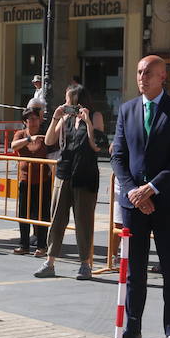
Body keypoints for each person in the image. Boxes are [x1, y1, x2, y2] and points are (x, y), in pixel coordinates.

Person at [110, 55, 170, 338]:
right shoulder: (127, 110)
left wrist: (152, 188)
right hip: (134, 204)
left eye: (148, 72)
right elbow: (118, 156)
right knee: (135, 271)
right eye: (138, 72)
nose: (142, 77)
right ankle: (133, 329)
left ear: (163, 77)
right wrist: (135, 192)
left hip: (169, 202)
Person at [35, 84, 101, 279]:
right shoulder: (65, 119)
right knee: (57, 219)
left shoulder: (95, 117)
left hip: (85, 174)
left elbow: (96, 146)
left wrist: (88, 122)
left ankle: (85, 264)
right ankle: (50, 261)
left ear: (77, 100)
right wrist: (57, 117)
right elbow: (48, 141)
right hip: (64, 172)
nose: (66, 103)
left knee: (83, 221)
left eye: (68, 100)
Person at [11, 105, 52, 256]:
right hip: (25, 180)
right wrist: (29, 139)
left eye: (36, 119)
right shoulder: (20, 134)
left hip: (43, 180)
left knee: (42, 213)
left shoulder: (45, 136)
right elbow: (13, 146)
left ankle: (42, 245)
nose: (34, 122)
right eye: (30, 119)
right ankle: (24, 245)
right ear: (25, 121)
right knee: (23, 213)